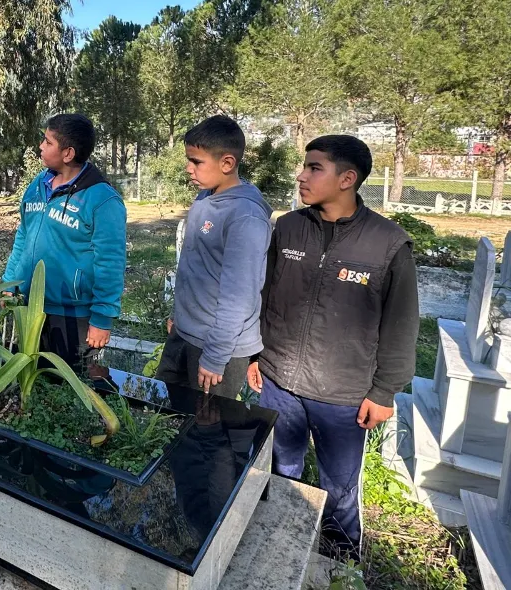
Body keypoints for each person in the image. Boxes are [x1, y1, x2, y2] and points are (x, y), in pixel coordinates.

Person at [248, 134, 418, 557]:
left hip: (343, 394)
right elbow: (264, 294)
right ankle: (275, 546)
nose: (301, 176)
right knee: (278, 469)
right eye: (304, 166)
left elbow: (402, 323)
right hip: (278, 380)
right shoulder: (288, 227)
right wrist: (254, 352)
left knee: (339, 487)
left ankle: (341, 560)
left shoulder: (387, 244)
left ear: (347, 178)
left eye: (313, 168)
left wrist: (384, 392)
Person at [156, 115, 272, 398]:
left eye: (196, 161)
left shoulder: (245, 216)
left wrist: (215, 356)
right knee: (166, 416)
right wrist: (179, 317)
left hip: (216, 347)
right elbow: (198, 267)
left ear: (227, 163)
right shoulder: (205, 197)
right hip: (185, 333)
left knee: (206, 432)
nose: (188, 168)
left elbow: (240, 295)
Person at [2, 114, 126, 370]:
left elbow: (110, 262)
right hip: (29, 305)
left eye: (47, 142)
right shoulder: (39, 185)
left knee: (64, 387)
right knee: (27, 381)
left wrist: (102, 319)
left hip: (71, 315)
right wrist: (10, 281)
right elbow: (23, 235)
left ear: (68, 153)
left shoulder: (102, 200)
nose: (40, 146)